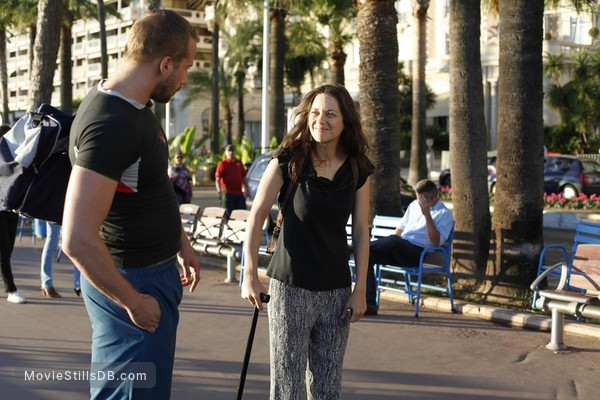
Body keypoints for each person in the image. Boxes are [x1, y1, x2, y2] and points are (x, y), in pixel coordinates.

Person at [61, 9, 201, 399]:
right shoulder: (111, 124)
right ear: (166, 64)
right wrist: (134, 302)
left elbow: (151, 187)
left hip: (150, 275)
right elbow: (76, 240)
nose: (186, 78)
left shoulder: (136, 106)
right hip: (133, 282)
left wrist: (180, 242)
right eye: (186, 67)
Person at [241, 84, 374, 399]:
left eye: (330, 114)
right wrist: (249, 274)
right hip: (290, 288)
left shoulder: (357, 168)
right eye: (315, 112)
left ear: (345, 122)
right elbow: (257, 215)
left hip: (336, 292)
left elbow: (360, 232)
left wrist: (360, 289)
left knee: (328, 386)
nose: (321, 120)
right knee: (288, 385)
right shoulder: (289, 159)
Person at [365, 179, 454, 315]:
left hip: (417, 254)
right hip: (400, 248)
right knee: (367, 257)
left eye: (423, 200)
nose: (419, 203)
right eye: (418, 199)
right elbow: (400, 230)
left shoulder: (444, 214)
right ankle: (370, 305)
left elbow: (436, 242)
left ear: (434, 196)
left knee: (394, 241)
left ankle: (355, 248)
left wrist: (427, 216)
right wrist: (386, 246)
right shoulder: (413, 205)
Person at [0, 124, 27, 305]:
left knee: (8, 250)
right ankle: (11, 289)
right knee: (3, 251)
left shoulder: (14, 156)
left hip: (11, 208)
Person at [215, 144, 249, 216]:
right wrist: (219, 192)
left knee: (242, 214)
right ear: (225, 152)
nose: (231, 152)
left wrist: (247, 188)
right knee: (229, 214)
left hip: (239, 193)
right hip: (228, 193)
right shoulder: (222, 164)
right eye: (229, 151)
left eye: (232, 150)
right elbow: (217, 179)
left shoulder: (239, 163)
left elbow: (243, 177)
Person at [40, 220, 62, 298]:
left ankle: (47, 284)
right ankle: (47, 284)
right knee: (51, 242)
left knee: (51, 241)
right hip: (56, 209)